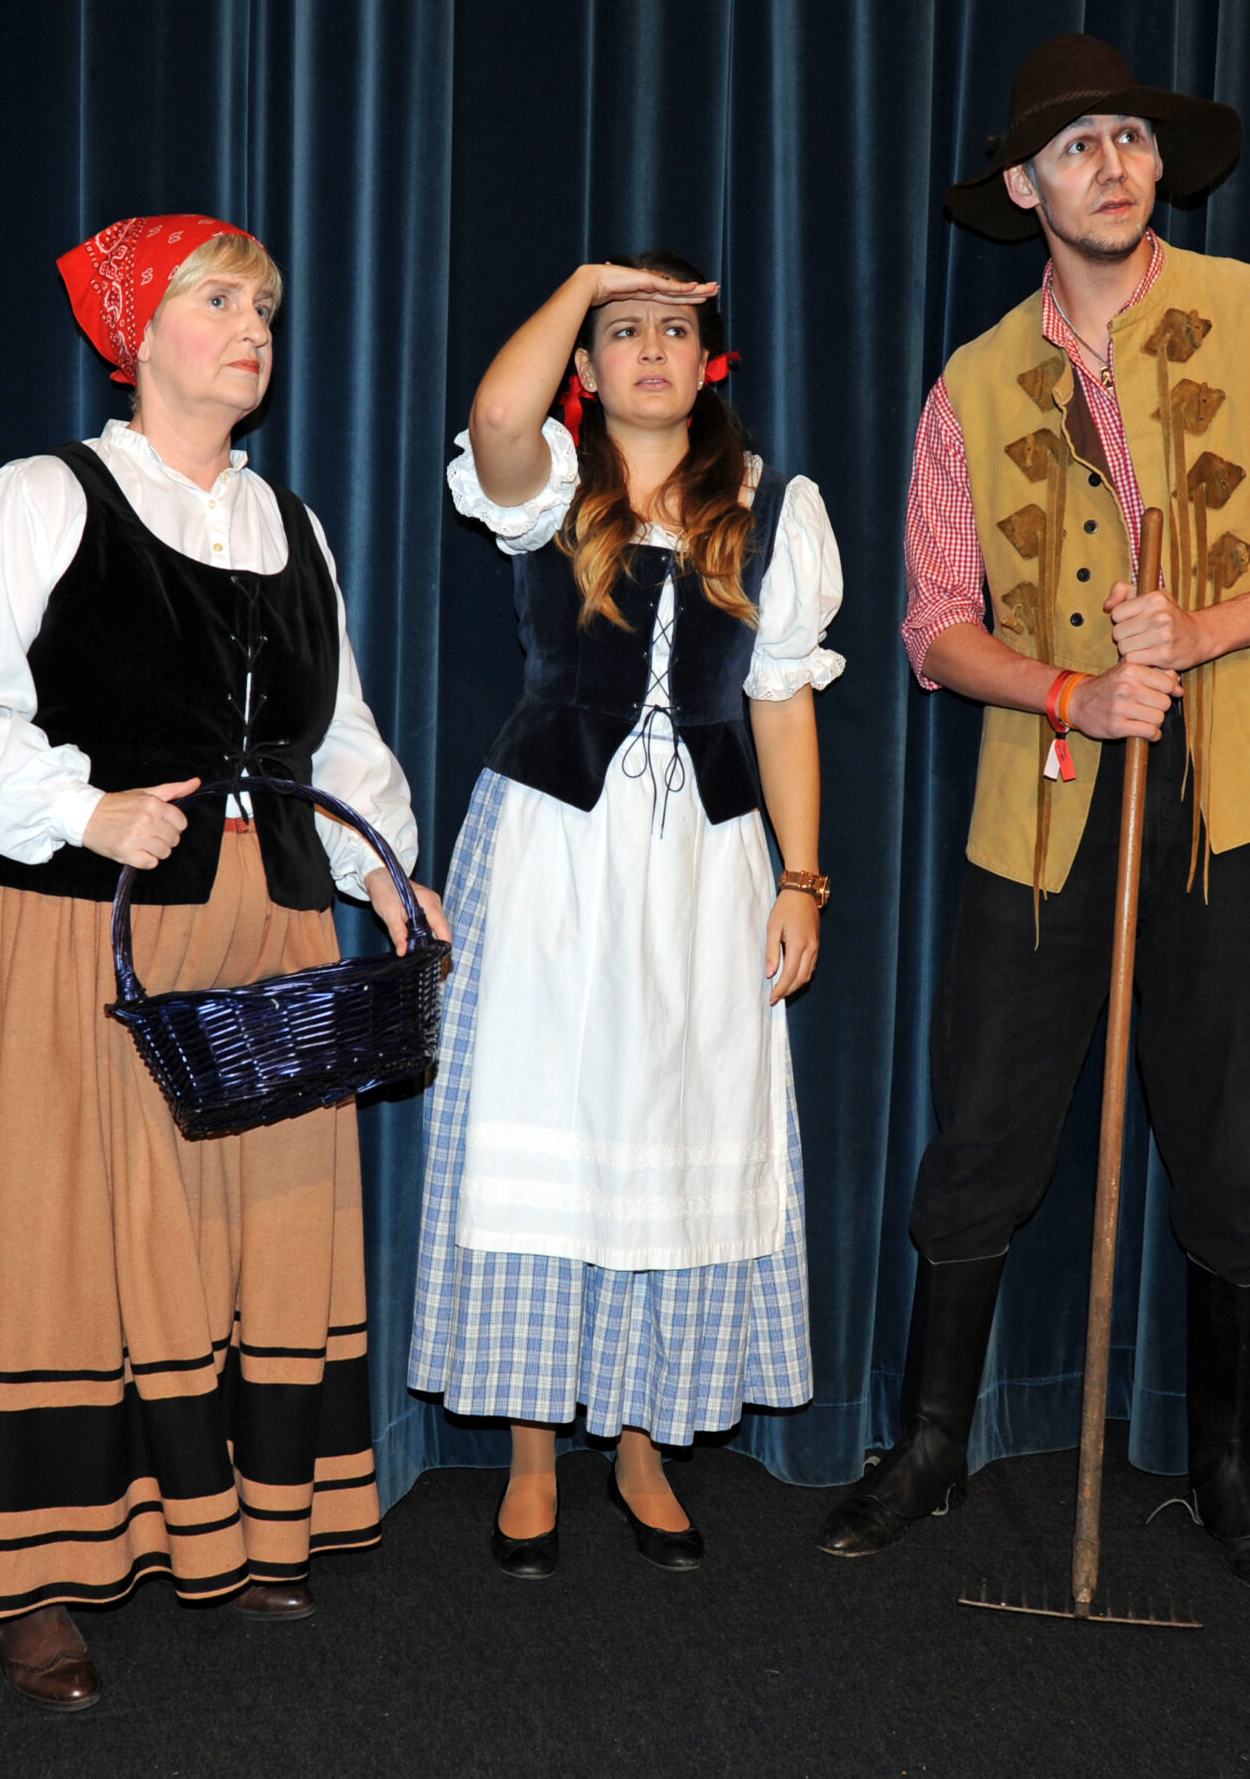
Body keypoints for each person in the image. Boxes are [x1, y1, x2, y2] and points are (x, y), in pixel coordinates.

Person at [816, 36, 1250, 1594]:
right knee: (984, 1126)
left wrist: (1201, 634)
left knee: (1237, 1139)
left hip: (1237, 780)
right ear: (1024, 187)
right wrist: (1073, 692)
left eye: (1130, 137)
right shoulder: (972, 383)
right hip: (1052, 789)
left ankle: (1227, 1462)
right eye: (1076, 146)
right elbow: (934, 626)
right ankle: (931, 1444)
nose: (1113, 164)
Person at [0, 214, 448, 1710]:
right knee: (65, 1236)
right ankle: (36, 1568)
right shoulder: (42, 498)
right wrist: (81, 807)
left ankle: (242, 1521)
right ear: (137, 334)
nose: (252, 330)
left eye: (266, 310)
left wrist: (388, 870)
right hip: (88, 925)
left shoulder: (294, 528)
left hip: (270, 920)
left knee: (258, 1226)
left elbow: (338, 737)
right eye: (218, 301)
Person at [408, 252, 842, 1577]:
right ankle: (535, 1456)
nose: (651, 348)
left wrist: (803, 878)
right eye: (622, 330)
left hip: (704, 865)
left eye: (674, 330)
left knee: (673, 1115)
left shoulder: (770, 509)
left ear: (710, 362)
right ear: (587, 370)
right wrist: (584, 279)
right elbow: (496, 415)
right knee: (544, 1112)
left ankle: (645, 1443)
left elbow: (781, 700)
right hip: (551, 848)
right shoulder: (547, 487)